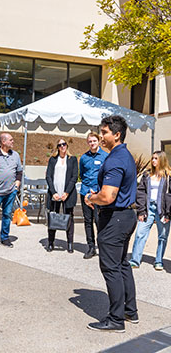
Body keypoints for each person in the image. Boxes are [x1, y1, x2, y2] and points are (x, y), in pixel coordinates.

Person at [85, 115, 138, 333]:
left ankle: (116, 320)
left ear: (116, 134)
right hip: (125, 216)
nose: (101, 136)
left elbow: (108, 196)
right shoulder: (123, 155)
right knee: (122, 264)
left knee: (111, 267)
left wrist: (92, 198)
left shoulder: (116, 159)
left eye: (105, 132)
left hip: (115, 218)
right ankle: (129, 310)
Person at [129, 151, 171, 271]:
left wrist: (168, 213)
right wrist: (141, 211)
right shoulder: (147, 175)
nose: (153, 161)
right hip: (148, 208)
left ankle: (159, 261)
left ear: (162, 160)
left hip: (162, 210)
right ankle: (135, 260)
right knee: (139, 234)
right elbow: (141, 192)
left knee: (162, 236)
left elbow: (169, 196)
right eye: (152, 158)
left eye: (156, 159)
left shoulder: (168, 177)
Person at [45, 138, 78, 253]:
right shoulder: (53, 160)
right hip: (54, 194)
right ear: (57, 147)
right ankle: (50, 242)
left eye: (64, 144)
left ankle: (69, 243)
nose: (62, 146)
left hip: (67, 194)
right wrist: (53, 192)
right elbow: (48, 176)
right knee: (53, 217)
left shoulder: (72, 159)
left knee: (69, 218)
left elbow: (74, 177)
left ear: (67, 146)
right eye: (60, 145)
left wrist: (66, 193)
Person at [79, 132, 108, 259]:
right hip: (85, 192)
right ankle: (91, 247)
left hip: (98, 194)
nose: (92, 143)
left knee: (99, 220)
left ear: (99, 141)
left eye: (94, 141)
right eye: (90, 141)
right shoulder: (84, 158)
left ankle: (102, 247)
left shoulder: (105, 156)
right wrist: (87, 191)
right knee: (88, 221)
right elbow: (82, 173)